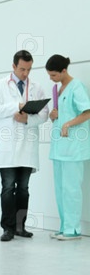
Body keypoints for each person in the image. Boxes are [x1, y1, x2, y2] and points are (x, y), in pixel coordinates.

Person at [0, 49, 49, 241]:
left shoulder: (37, 88)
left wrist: (26, 120)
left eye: (29, 69)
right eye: (22, 69)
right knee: (8, 188)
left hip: (27, 147)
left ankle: (20, 227)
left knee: (23, 189)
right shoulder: (0, 86)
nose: (25, 73)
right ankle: (8, 228)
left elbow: (44, 114)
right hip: (7, 148)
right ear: (14, 66)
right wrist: (17, 106)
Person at [45, 54, 90, 240]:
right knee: (61, 190)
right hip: (59, 149)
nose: (51, 78)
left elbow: (87, 112)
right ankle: (64, 227)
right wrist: (53, 116)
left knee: (71, 190)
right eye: (49, 75)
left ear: (64, 71)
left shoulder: (76, 86)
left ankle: (73, 230)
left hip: (73, 149)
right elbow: (61, 114)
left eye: (54, 75)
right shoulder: (58, 89)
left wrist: (68, 124)